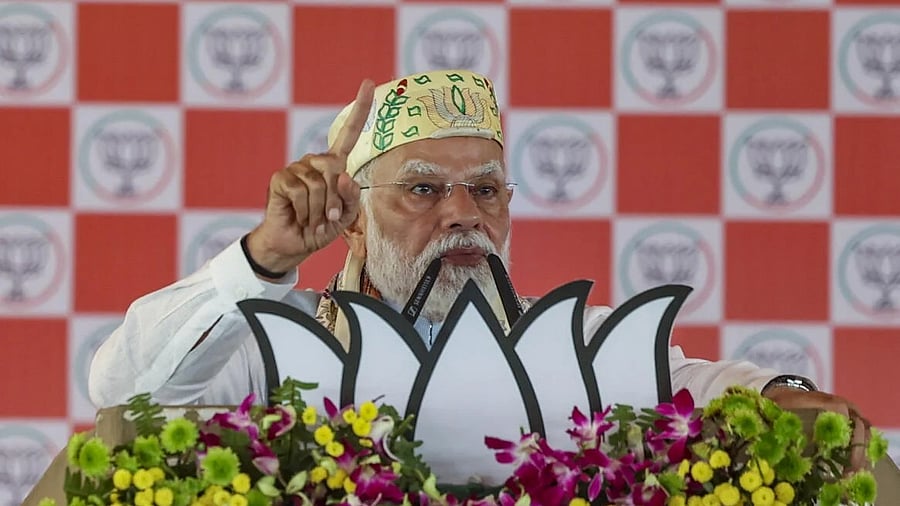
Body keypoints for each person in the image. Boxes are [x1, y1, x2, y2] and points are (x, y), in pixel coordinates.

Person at [87, 69, 870, 470]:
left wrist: (782, 398)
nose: (463, 214)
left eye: (486, 190)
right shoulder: (272, 346)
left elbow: (689, 385)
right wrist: (263, 261)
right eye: (424, 188)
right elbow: (126, 393)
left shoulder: (571, 340)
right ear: (353, 217)